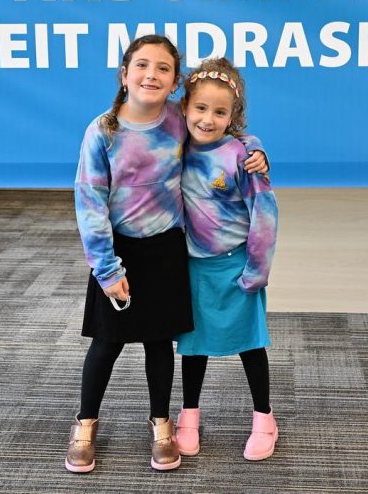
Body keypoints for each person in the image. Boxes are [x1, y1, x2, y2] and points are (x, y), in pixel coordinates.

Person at [67, 36, 268, 473]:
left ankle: (161, 422)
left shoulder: (179, 119)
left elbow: (221, 127)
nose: (151, 75)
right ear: (124, 75)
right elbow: (89, 204)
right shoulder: (102, 131)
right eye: (141, 65)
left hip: (167, 249)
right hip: (117, 252)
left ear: (175, 82)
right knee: (107, 342)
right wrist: (105, 267)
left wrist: (256, 149)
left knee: (160, 343)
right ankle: (85, 423)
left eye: (163, 68)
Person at [173, 57, 279, 462]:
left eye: (220, 112)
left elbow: (265, 215)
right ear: (185, 107)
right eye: (200, 108)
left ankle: (264, 417)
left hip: (237, 266)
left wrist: (257, 269)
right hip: (193, 266)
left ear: (234, 115)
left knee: (250, 344)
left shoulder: (243, 155)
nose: (208, 118)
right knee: (193, 346)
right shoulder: (175, 149)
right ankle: (189, 416)